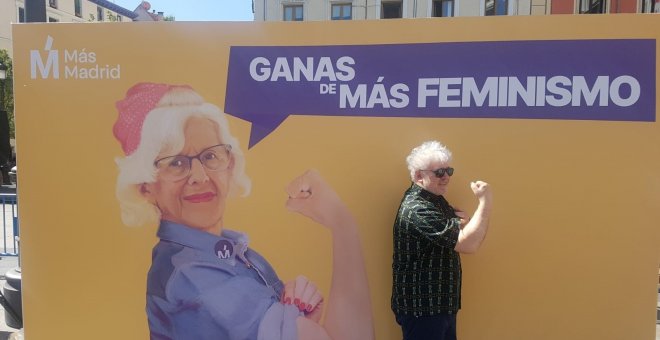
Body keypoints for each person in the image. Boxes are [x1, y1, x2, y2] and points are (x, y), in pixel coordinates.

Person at [112, 82, 374, 340]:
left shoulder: (228, 253)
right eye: (176, 163)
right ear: (145, 186)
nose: (199, 176)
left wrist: (296, 321)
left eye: (210, 156)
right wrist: (343, 224)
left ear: (230, 164)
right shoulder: (196, 278)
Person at [391, 140, 493, 340]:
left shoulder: (434, 200)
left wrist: (468, 224)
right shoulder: (418, 209)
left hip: (438, 307)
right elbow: (468, 244)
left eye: (449, 171)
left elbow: (467, 237)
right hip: (423, 310)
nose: (446, 177)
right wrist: (485, 201)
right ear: (419, 176)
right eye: (439, 173)